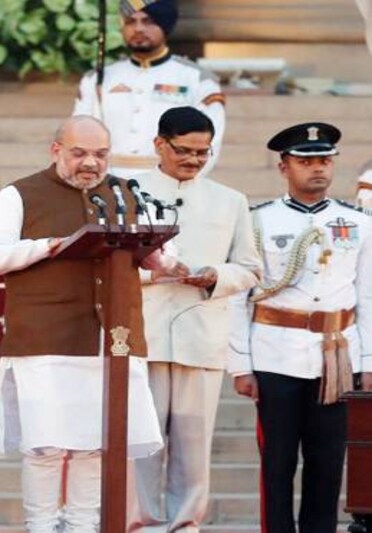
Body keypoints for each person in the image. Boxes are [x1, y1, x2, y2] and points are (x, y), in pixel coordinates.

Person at [0, 115, 180, 533]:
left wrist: (159, 256)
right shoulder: (20, 194)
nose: (91, 163)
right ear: (56, 151)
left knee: (95, 448)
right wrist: (49, 246)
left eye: (101, 154)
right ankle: (41, 527)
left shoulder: (125, 193)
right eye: (80, 153)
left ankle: (84, 528)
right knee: (46, 448)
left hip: (112, 339)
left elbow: (163, 259)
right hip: (46, 338)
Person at [228, 122, 372, 533]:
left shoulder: (358, 222)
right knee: (277, 462)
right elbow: (239, 297)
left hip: (337, 354)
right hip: (276, 354)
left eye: (324, 160)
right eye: (306, 161)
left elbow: (368, 296)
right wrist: (240, 364)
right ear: (283, 167)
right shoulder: (258, 221)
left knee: (327, 463)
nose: (317, 169)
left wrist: (368, 359)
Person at [128, 107, 261, 533]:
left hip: (201, 336)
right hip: (141, 335)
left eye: (203, 152)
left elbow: (251, 268)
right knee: (140, 444)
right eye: (184, 150)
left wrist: (215, 276)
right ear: (159, 145)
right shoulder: (128, 193)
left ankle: (185, 526)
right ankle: (138, 525)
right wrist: (153, 273)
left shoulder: (230, 200)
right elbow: (105, 266)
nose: (194, 160)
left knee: (193, 446)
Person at [73, 0, 225, 178]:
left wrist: (178, 185)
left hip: (168, 184)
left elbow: (208, 143)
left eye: (148, 21)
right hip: (106, 185)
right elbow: (77, 136)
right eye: (130, 21)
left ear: (165, 26)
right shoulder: (96, 79)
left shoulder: (197, 80)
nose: (138, 29)